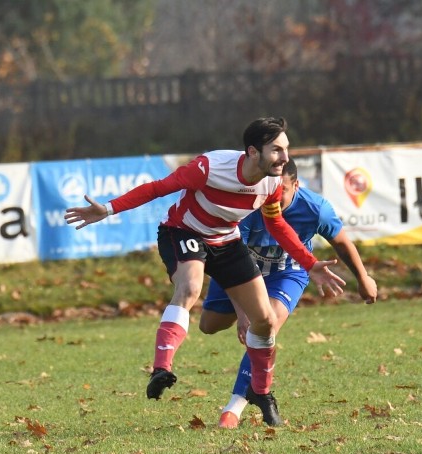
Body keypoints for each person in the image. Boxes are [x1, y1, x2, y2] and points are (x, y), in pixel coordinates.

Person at [64, 117, 346, 426]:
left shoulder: (273, 184)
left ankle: (260, 393)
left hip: (226, 240)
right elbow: (158, 189)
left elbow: (276, 224)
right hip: (183, 232)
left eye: (286, 149)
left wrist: (310, 263)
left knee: (264, 321)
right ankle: (161, 368)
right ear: (253, 152)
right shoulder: (210, 167)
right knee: (190, 287)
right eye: (277, 150)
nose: (285, 158)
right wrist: (108, 208)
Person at [199, 158, 378, 429]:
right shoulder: (249, 207)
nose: (272, 194)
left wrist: (363, 278)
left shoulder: (315, 209)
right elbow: (229, 258)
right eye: (268, 187)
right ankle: (250, 344)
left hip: (287, 273)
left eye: (280, 189)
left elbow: (341, 242)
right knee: (209, 325)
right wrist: (242, 311)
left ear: (296, 184)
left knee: (264, 326)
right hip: (240, 273)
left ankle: (234, 407)